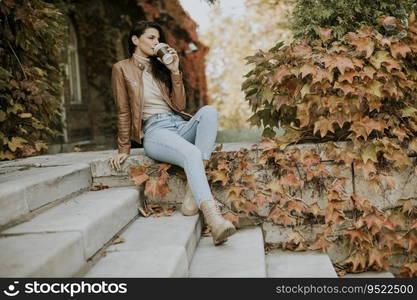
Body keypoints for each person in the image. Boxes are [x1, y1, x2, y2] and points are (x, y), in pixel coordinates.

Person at [109, 20, 236, 245]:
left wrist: (175, 71)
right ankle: (214, 220)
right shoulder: (121, 68)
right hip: (155, 131)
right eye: (151, 38)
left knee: (209, 112)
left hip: (178, 124)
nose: (156, 42)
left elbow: (179, 105)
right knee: (191, 153)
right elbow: (122, 110)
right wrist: (123, 147)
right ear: (135, 40)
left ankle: (191, 191)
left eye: (157, 38)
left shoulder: (160, 67)